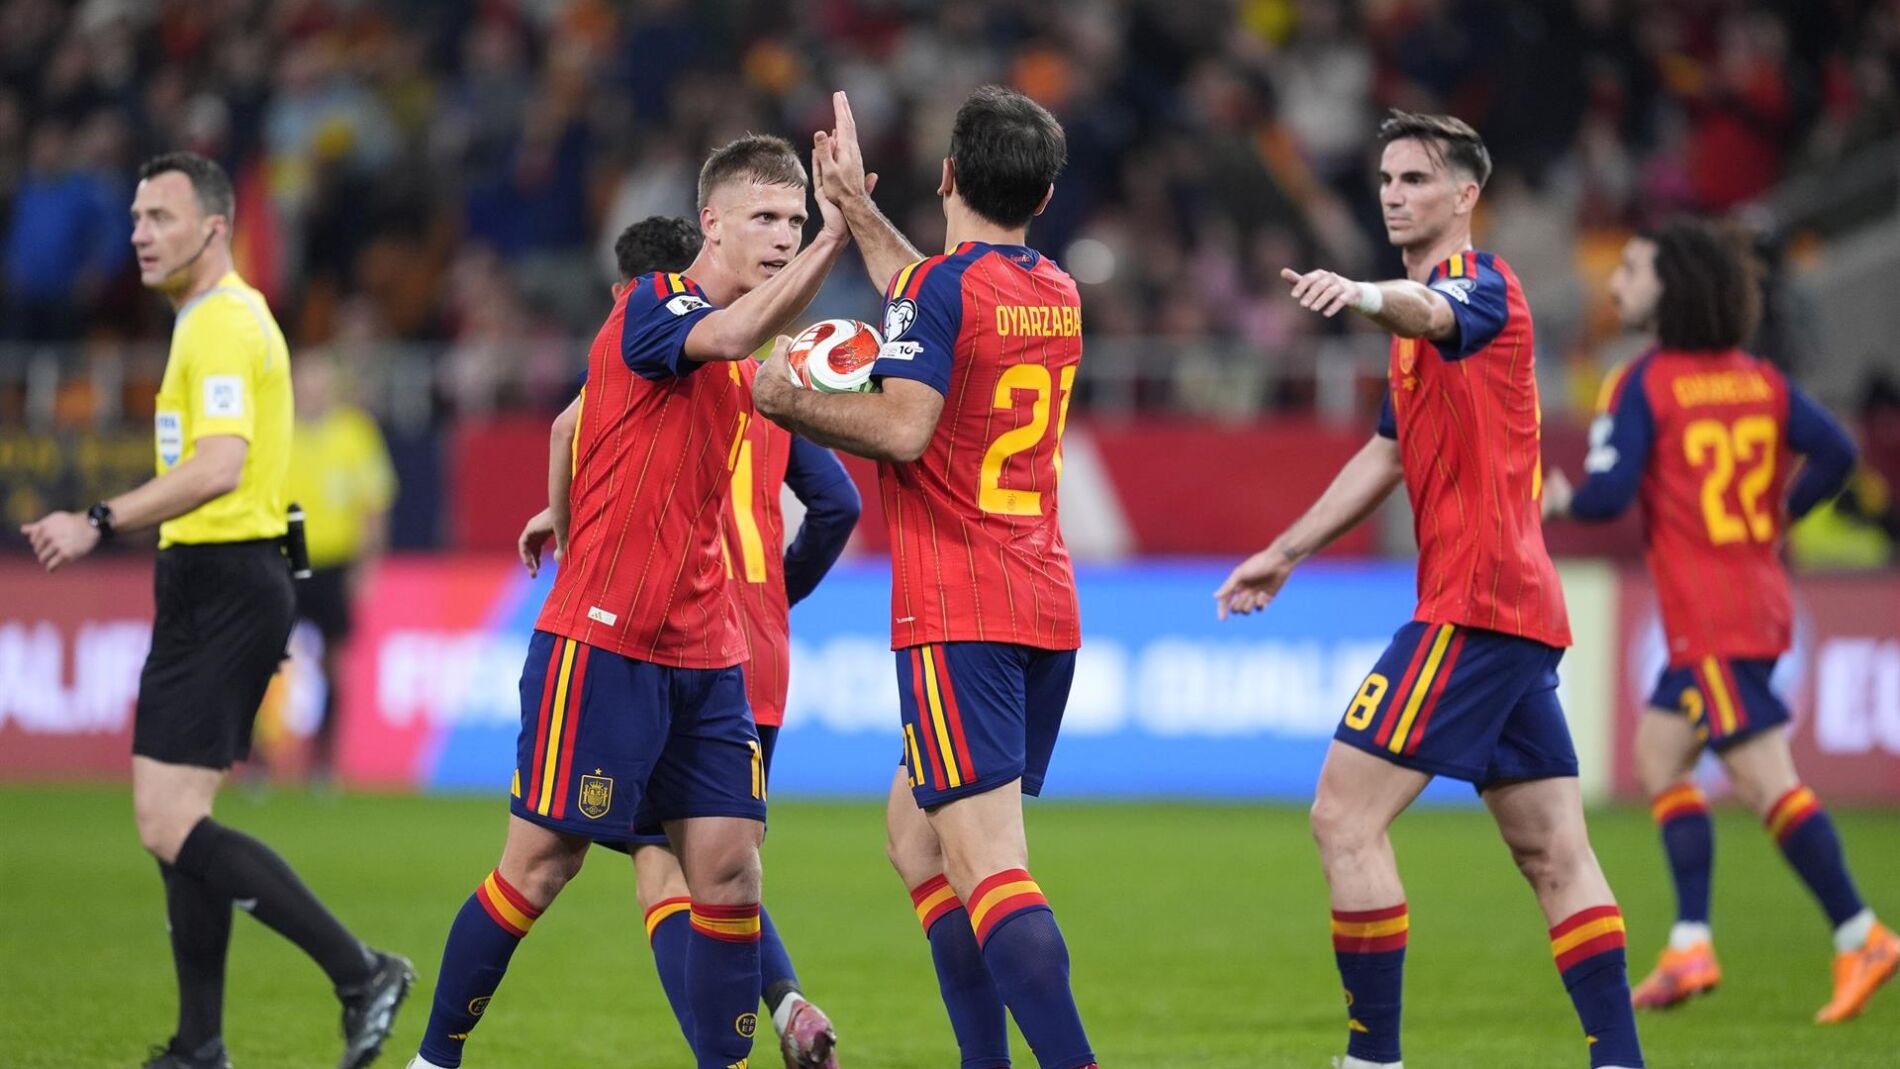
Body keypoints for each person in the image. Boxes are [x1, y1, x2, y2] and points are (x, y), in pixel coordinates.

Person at [407, 135, 852, 1069]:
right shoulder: (655, 304)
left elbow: (573, 423)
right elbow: (676, 362)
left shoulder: (752, 354)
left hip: (710, 653)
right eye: (766, 218)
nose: (783, 235)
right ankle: (433, 1059)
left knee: (729, 872)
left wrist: (561, 507)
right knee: (541, 867)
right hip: (605, 645)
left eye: (796, 220)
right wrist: (835, 236)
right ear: (712, 224)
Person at [1213, 112, 1644, 1069]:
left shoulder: (1483, 286)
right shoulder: (1412, 324)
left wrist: (1365, 293)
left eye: (1415, 178)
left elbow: (1430, 311)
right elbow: (1387, 452)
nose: (1394, 195)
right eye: (1385, 179)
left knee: (1343, 815)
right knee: (1553, 851)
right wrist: (1285, 550)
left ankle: (1374, 1059)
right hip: (1514, 611)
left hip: (1475, 604)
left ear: (1465, 194)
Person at [19, 151, 411, 1069]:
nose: (139, 234)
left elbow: (220, 465)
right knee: (179, 823)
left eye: (159, 216)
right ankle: (200, 1043)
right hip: (213, 576)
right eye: (135, 217)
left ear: (214, 226)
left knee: (166, 821)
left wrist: (96, 519)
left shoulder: (226, 323)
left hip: (227, 577)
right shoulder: (206, 320)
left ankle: (362, 972)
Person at [753, 87, 1097, 1069]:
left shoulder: (937, 293)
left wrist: (784, 398)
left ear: (947, 175)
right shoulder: (1056, 289)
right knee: (915, 836)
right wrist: (856, 211)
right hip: (1042, 604)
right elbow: (929, 294)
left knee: (989, 865)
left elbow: (905, 427)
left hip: (960, 609)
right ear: (1043, 195)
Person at [516, 214, 862, 1068]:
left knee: (663, 872)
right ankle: (784, 1003)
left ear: (625, 293)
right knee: (725, 864)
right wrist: (777, 594)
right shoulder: (759, 375)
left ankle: (749, 1033)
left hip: (671, 635)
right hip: (756, 653)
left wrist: (568, 526)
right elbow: (840, 504)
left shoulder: (642, 352)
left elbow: (566, 431)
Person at [1542, 218, 1897, 1022]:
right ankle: (1691, 942)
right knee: (1660, 754)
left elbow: (1607, 495)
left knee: (1766, 780)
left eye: (1632, 269)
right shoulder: (1757, 378)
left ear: (1671, 287)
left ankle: (1862, 932)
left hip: (1710, 617)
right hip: (1750, 598)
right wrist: (1780, 516)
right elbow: (1838, 452)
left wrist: (1560, 499)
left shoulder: (1643, 382)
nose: (1617, 282)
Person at [285, 350, 398, 782]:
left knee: (333, 663)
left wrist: (367, 565)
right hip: (286, 559)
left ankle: (323, 760)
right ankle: (259, 758)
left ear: (332, 387)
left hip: (335, 560)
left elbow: (374, 503)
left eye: (318, 381)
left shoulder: (354, 432)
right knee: (266, 658)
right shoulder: (278, 431)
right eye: (305, 381)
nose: (311, 390)